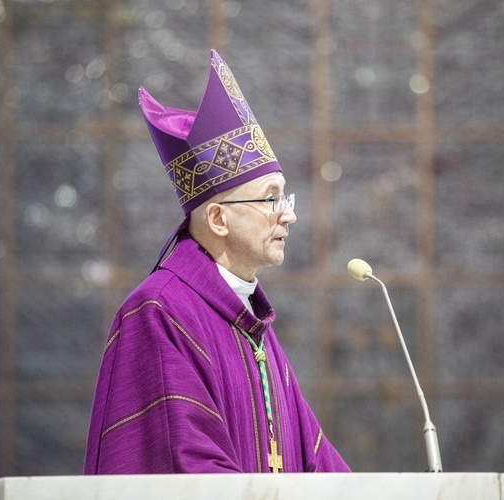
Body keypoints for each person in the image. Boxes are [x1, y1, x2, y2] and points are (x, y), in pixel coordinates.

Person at [84, 50, 350, 474]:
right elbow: (185, 467)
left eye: (285, 196)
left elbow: (318, 463)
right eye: (270, 198)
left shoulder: (253, 326)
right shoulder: (159, 312)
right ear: (218, 218)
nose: (289, 213)